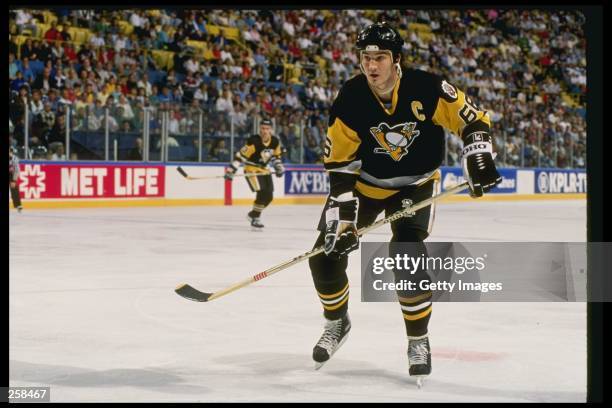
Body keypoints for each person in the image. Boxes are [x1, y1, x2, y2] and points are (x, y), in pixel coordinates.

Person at [307, 22, 502, 383]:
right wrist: (344, 218)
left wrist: (479, 156)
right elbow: (339, 163)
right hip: (366, 186)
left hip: (415, 185)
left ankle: (418, 338)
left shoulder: (426, 88)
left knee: (406, 252)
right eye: (366, 57)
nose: (371, 65)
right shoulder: (350, 98)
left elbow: (472, 120)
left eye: (380, 57)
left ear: (396, 60)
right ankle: (337, 322)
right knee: (324, 254)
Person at [224, 118, 285, 229]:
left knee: (269, 196)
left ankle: (253, 215)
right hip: (251, 169)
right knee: (262, 192)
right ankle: (256, 217)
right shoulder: (253, 141)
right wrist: (231, 170)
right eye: (262, 128)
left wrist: (279, 168)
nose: (265, 131)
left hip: (264, 169)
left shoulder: (275, 141)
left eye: (267, 128)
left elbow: (276, 157)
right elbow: (240, 156)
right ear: (259, 129)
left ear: (271, 129)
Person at [9, 148, 23, 212]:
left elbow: (17, 170)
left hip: (11, 174)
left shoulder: (15, 159)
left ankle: (18, 205)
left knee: (14, 188)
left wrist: (14, 180)